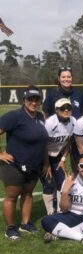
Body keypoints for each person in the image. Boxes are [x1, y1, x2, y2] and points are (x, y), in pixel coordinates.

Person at [0, 86, 48, 240]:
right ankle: (10, 228)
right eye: (30, 99)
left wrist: (46, 163)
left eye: (36, 100)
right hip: (14, 164)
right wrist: (0, 154)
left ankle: (25, 224)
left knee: (28, 194)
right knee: (12, 197)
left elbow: (44, 142)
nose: (33, 103)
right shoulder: (14, 116)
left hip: (34, 165)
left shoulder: (41, 117)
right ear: (24, 101)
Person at [41, 153, 83, 245]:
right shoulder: (69, 180)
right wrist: (65, 191)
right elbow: (64, 209)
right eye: (82, 165)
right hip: (71, 215)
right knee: (46, 220)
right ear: (78, 167)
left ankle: (60, 234)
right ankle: (81, 238)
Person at [41, 98, 76, 215]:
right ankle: (50, 212)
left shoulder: (73, 121)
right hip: (42, 156)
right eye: (62, 108)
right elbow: (43, 144)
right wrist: (46, 164)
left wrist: (63, 159)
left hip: (57, 156)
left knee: (62, 182)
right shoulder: (50, 123)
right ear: (56, 110)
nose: (66, 110)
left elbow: (69, 142)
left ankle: (62, 211)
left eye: (68, 108)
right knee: (49, 183)